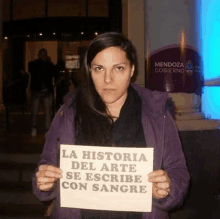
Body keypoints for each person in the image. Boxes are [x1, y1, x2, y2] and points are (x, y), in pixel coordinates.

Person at [32, 32, 190, 218]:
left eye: (118, 68)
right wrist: (45, 182)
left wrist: (168, 188)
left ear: (132, 70)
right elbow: (46, 164)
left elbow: (179, 172)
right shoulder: (68, 112)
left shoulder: (157, 114)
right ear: (90, 71)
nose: (108, 79)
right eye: (99, 68)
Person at [28, 48, 56, 137]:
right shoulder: (33, 64)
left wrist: (49, 62)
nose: (43, 55)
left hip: (47, 91)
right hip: (37, 91)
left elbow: (54, 73)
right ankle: (34, 127)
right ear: (39, 55)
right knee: (35, 111)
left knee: (48, 112)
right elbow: (34, 73)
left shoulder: (49, 64)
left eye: (45, 54)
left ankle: (47, 129)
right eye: (42, 54)